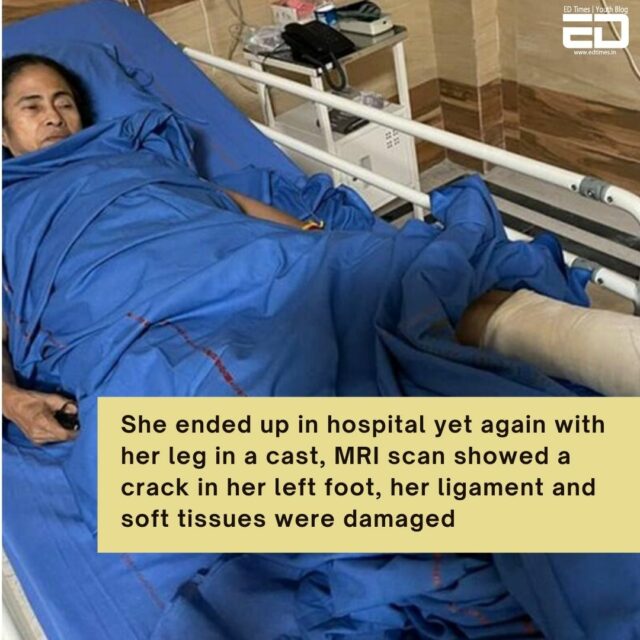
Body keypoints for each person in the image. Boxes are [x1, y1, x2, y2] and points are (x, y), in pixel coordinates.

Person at [2, 55, 639, 444]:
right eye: (32, 107)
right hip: (121, 307)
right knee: (190, 419)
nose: (55, 115)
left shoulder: (130, 154)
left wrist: (315, 235)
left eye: (64, 102)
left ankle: (602, 354)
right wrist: (13, 400)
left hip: (231, 250)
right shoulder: (10, 202)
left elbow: (222, 202)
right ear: (3, 133)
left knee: (381, 271)